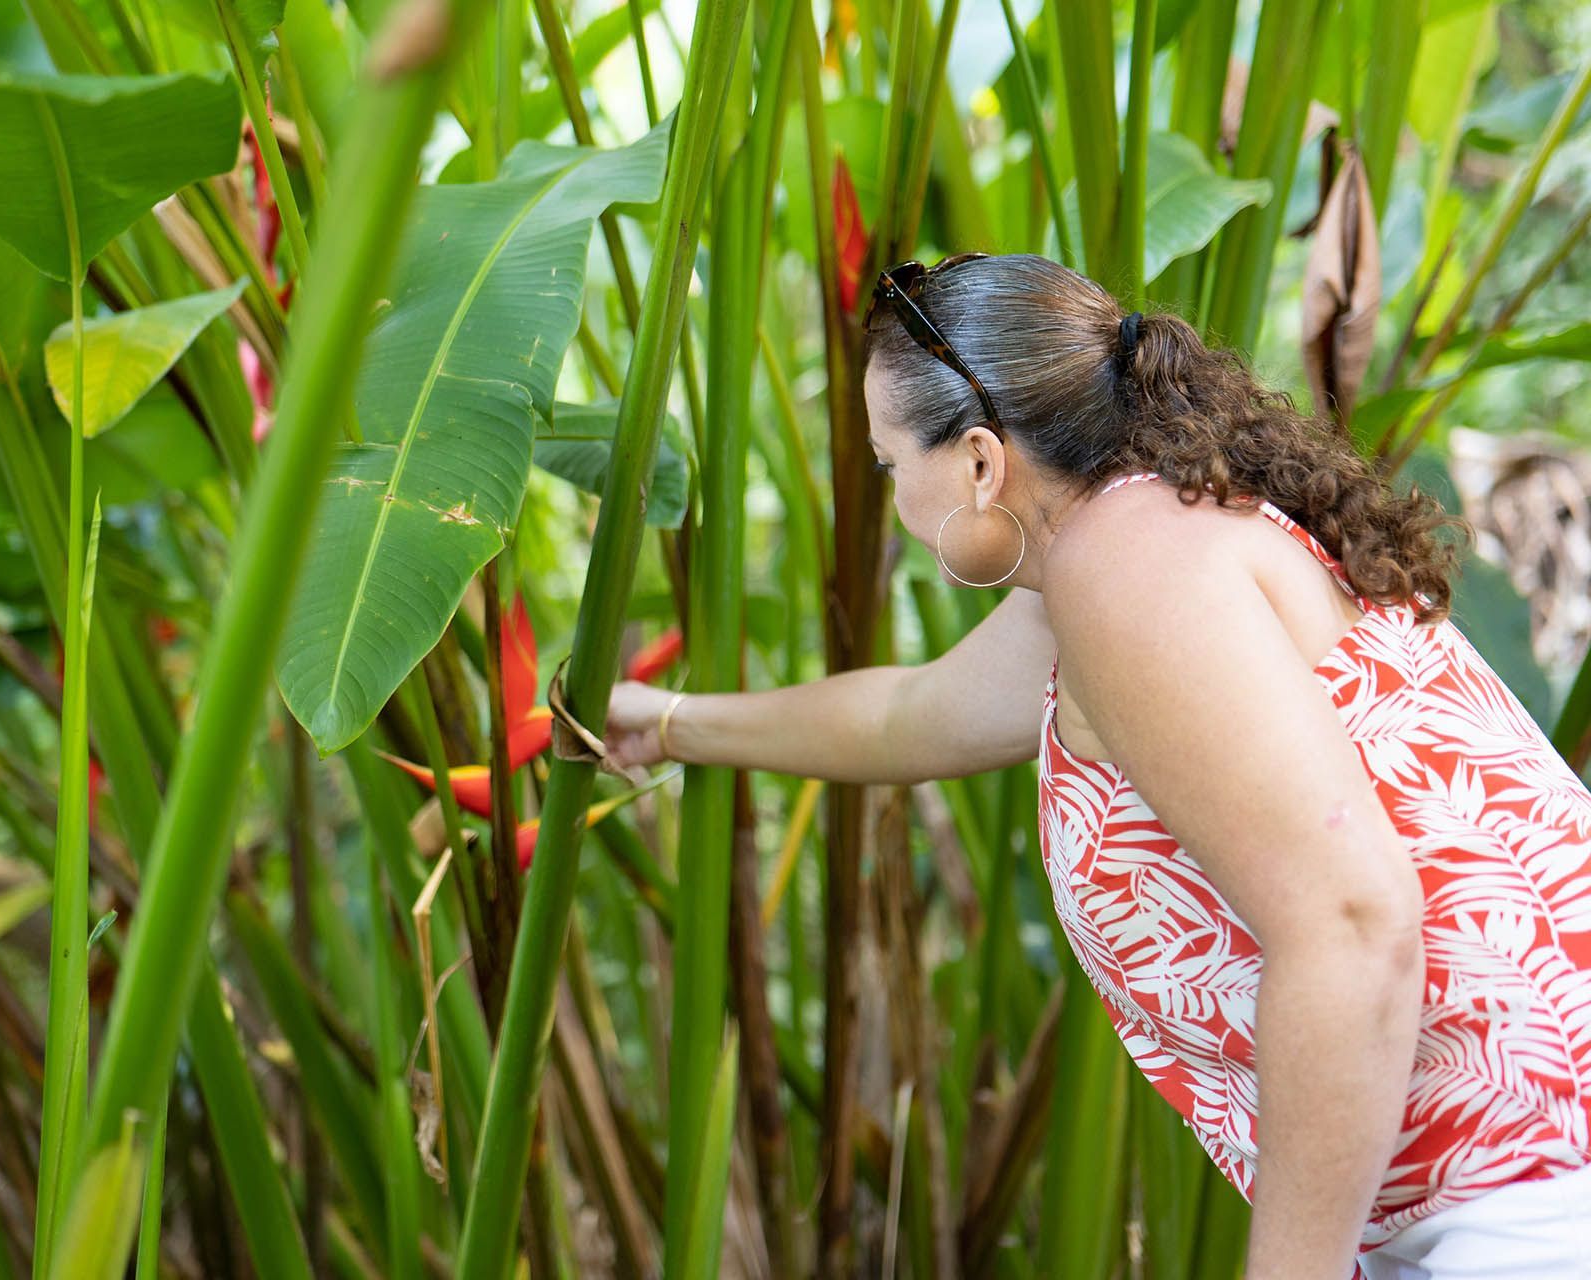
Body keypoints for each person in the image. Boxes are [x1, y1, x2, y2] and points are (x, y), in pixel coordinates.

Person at [604, 253, 1591, 1279]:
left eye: (892, 463)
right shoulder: (1131, 549)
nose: (892, 496)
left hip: (1537, 1199)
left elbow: (1353, 920)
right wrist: (668, 722)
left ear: (981, 461)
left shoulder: (1132, 567)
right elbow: (910, 713)